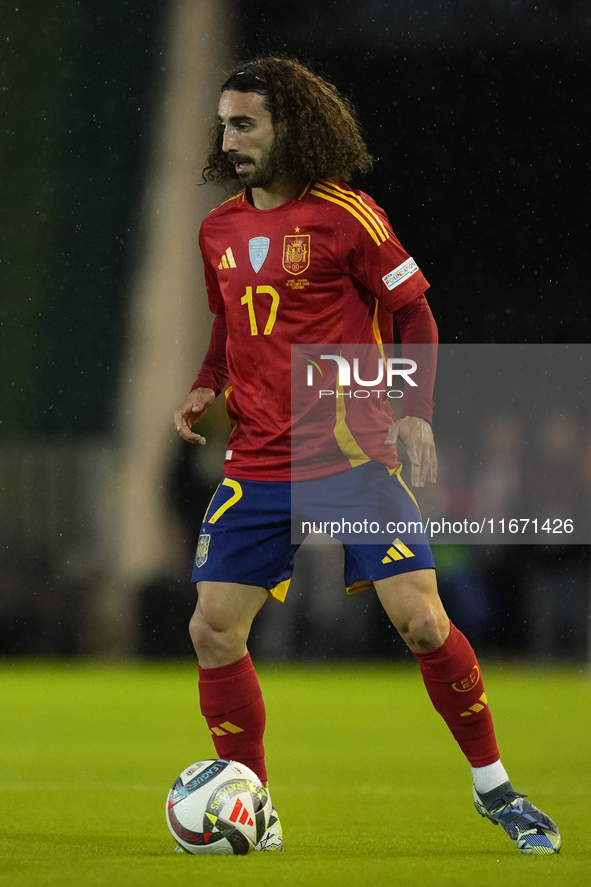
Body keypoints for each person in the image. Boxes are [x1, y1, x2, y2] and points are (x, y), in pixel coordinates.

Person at [173, 57, 561, 855]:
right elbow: (229, 325)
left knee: (421, 621)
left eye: (244, 122)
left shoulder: (348, 216)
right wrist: (203, 385)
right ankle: (255, 805)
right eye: (223, 123)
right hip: (258, 462)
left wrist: (413, 414)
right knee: (213, 628)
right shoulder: (218, 228)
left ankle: (496, 790)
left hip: (350, 458)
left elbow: (415, 317)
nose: (229, 138)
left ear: (291, 126)